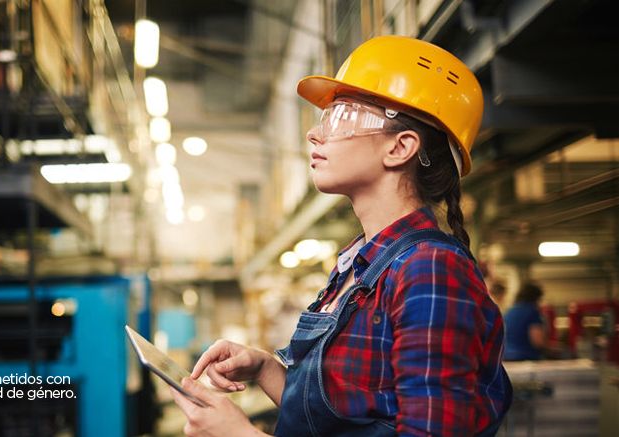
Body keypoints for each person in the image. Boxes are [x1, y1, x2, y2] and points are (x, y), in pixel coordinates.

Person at [168, 35, 513, 437]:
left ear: (400, 147)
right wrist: (265, 367)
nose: (315, 134)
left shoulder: (429, 269)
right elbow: (345, 416)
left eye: (342, 117)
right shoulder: (360, 262)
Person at [503, 282, 547, 361]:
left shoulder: (509, 311)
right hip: (526, 358)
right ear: (536, 298)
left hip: (507, 358)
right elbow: (537, 341)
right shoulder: (532, 312)